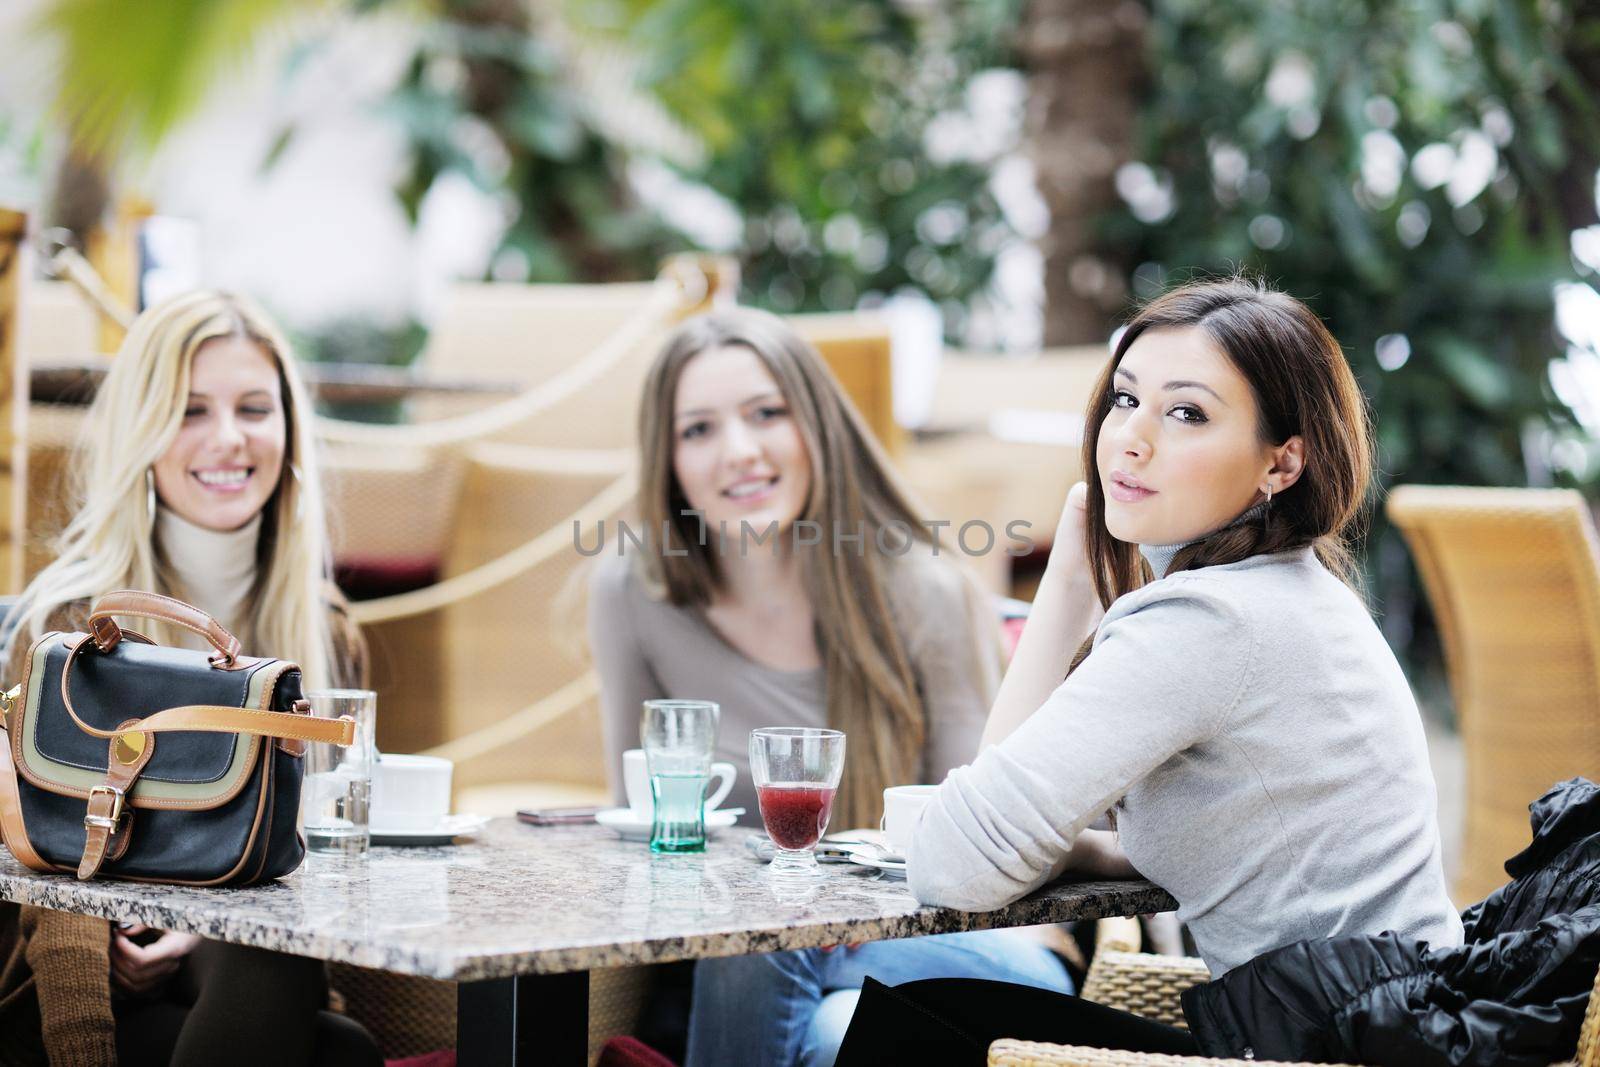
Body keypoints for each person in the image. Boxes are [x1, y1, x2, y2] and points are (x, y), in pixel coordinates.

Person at [832, 277, 1464, 1064]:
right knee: (932, 1010)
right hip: (1382, 1028)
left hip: (1332, 1047)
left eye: (1187, 412)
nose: (1132, 438)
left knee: (917, 1029)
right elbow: (1257, 844)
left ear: (1283, 462)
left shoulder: (1208, 621)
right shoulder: (1290, 591)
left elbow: (953, 861)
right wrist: (1084, 851)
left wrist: (1068, 582)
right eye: (1125, 399)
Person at [586, 309, 1073, 1067]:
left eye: (766, 414)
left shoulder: (922, 593)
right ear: (668, 460)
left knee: (768, 930)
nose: (738, 452)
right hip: (753, 973)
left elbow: (986, 853)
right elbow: (643, 819)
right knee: (831, 1029)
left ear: (817, 426)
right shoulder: (632, 591)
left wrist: (812, 912)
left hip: (968, 946)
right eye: (698, 430)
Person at [0, 291, 380, 1067]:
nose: (230, 439)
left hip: (239, 969)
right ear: (143, 431)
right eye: (191, 410)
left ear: (289, 428)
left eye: (253, 407)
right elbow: (33, 864)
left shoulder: (327, 627)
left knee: (314, 1006)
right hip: (72, 979)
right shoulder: (66, 625)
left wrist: (210, 918)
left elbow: (327, 858)